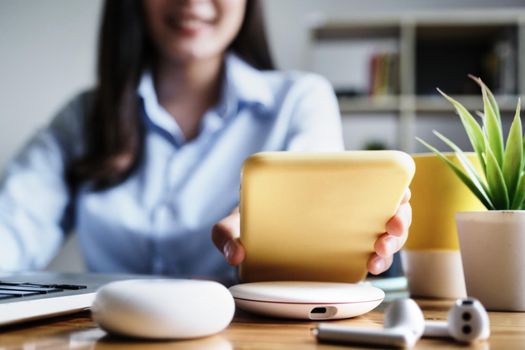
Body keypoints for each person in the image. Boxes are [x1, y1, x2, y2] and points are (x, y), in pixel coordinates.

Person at [0, 0, 411, 285]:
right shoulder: (82, 118)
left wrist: (305, 222)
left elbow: (317, 209)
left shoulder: (300, 100)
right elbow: (13, 224)